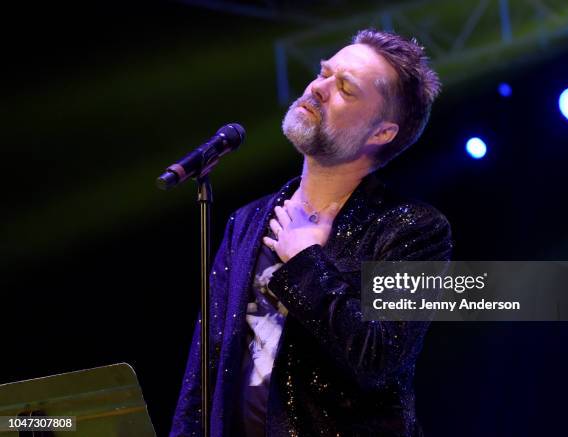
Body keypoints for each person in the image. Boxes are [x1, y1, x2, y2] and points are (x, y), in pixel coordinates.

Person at [170, 28, 452, 437]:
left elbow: (377, 359)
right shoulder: (247, 221)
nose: (318, 88)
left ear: (381, 133)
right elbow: (205, 368)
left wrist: (306, 262)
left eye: (345, 88)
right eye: (323, 72)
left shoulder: (413, 230)